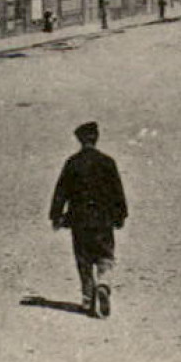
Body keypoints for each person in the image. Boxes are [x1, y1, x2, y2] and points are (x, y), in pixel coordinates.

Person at [49, 121, 127, 319]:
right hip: (103, 220)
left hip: (79, 220)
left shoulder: (72, 163)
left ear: (80, 140)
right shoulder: (108, 162)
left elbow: (61, 191)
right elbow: (118, 192)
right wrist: (120, 215)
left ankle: (87, 298)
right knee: (105, 255)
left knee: (83, 260)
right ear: (96, 138)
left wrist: (56, 215)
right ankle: (104, 283)